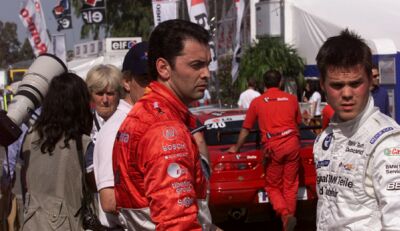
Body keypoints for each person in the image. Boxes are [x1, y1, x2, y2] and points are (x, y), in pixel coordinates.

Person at [112, 19, 214, 230]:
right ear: (163, 68)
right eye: (196, 65)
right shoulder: (166, 130)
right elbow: (177, 224)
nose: (206, 74)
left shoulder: (144, 112)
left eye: (207, 64)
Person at [314, 29, 400, 230]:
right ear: (323, 85)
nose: (346, 94)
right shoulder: (324, 139)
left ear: (370, 81)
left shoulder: (387, 143)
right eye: (337, 85)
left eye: (355, 84)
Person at [228, 70, 301, 231]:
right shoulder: (292, 99)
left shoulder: (258, 102)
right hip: (292, 144)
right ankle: (288, 222)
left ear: (264, 84)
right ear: (280, 82)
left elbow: (246, 129)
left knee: (273, 186)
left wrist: (236, 147)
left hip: (274, 147)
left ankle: (285, 215)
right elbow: (298, 123)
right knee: (290, 185)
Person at [20, 72, 93, 230]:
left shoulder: (30, 138)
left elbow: (23, 183)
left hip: (31, 223)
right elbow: (95, 187)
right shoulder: (83, 143)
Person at [93, 41, 150, 228]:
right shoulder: (118, 128)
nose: (152, 87)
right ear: (126, 82)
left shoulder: (142, 121)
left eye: (158, 79)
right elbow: (109, 201)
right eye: (145, 79)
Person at [85, 64, 122, 184]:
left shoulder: (129, 121)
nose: (105, 100)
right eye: (100, 94)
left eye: (110, 94)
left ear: (118, 94)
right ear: (91, 95)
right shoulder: (84, 123)